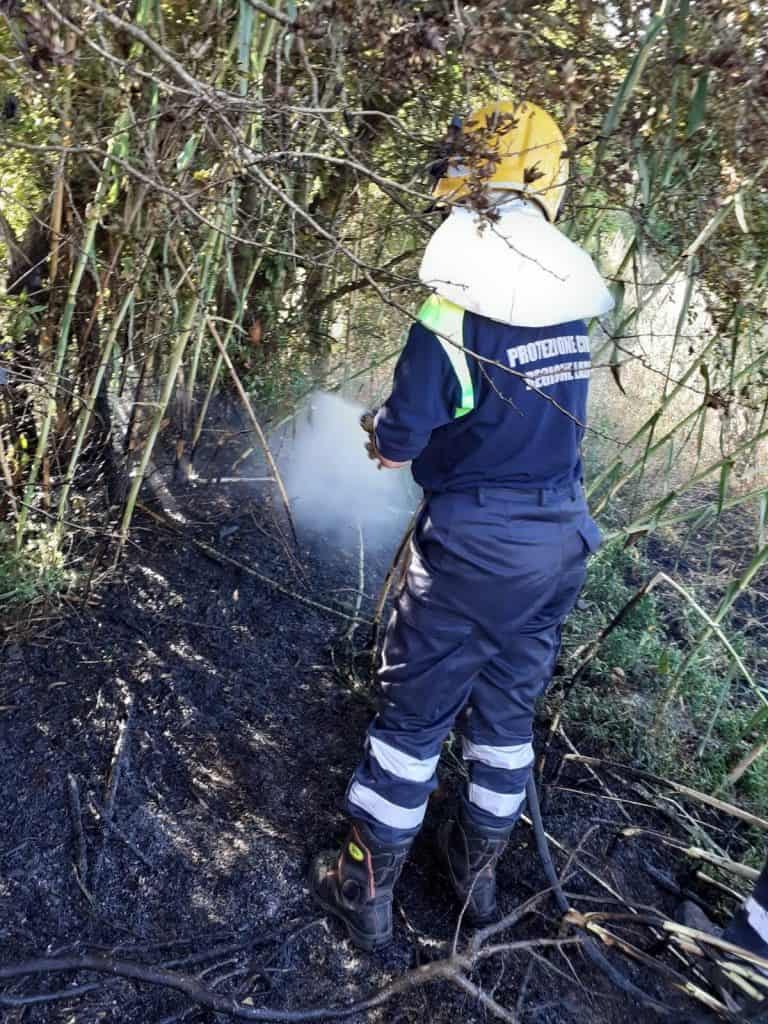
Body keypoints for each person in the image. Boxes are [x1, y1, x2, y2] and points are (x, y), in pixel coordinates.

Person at [310, 100, 614, 951]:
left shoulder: (452, 311)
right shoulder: (569, 302)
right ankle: (476, 883)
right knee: (507, 719)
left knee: (414, 723)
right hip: (560, 544)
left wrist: (382, 431)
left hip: (475, 551)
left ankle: (362, 888)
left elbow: (405, 435)